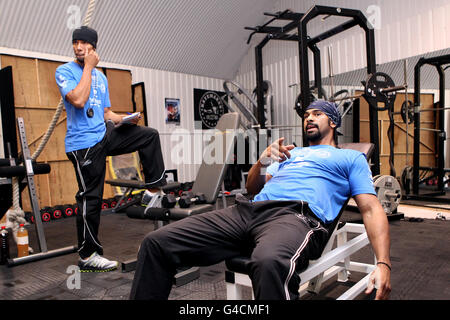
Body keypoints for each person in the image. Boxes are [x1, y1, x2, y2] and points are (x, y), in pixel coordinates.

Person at [129, 100, 391, 300]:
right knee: (157, 243)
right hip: (248, 211)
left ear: (333, 122)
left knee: (269, 262)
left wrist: (383, 263)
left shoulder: (349, 158)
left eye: (317, 114)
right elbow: (253, 188)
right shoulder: (290, 153)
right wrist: (262, 160)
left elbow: (370, 208)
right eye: (306, 115)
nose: (308, 118)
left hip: (295, 216)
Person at [55, 26, 167, 272]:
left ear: (94, 46)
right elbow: (78, 100)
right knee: (90, 199)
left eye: (84, 43)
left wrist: (126, 118)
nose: (78, 46)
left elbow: (106, 113)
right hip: (83, 143)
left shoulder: (101, 77)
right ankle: (87, 255)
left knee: (149, 136)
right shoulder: (65, 71)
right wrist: (88, 67)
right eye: (76, 42)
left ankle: (153, 189)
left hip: (103, 135)